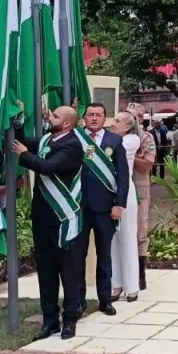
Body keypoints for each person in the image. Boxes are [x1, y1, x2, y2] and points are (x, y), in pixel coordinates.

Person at [13, 106, 87, 340]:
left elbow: (47, 167)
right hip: (42, 217)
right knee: (45, 271)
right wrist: (17, 118)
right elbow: (20, 140)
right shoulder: (47, 139)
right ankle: (50, 320)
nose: (49, 117)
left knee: (69, 270)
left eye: (55, 116)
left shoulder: (73, 146)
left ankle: (71, 318)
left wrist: (24, 154)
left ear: (67, 124)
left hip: (64, 218)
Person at [75, 102, 130, 317]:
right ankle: (78, 301)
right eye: (90, 115)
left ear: (105, 118)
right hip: (79, 207)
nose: (94, 118)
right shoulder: (76, 139)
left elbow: (123, 176)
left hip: (105, 209)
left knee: (104, 256)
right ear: (84, 118)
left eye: (99, 115)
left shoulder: (114, 141)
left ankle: (105, 300)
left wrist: (119, 203)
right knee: (77, 256)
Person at [109, 111, 142, 301]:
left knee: (127, 238)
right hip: (109, 191)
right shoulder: (112, 137)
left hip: (125, 192)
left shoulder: (131, 140)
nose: (113, 123)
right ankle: (116, 284)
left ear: (128, 126)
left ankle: (132, 286)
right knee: (112, 240)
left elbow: (110, 144)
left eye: (118, 121)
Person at [126, 103, 157, 290]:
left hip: (139, 187)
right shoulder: (116, 138)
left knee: (140, 231)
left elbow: (147, 165)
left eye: (134, 117)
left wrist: (128, 154)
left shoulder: (146, 138)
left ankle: (139, 275)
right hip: (119, 188)